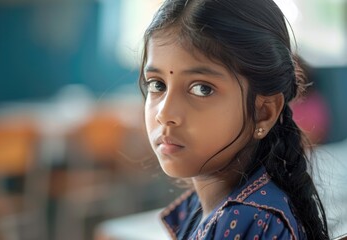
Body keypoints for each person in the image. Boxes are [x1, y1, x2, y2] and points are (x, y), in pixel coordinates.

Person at [139, 0, 329, 239]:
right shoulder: (204, 207)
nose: (164, 114)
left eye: (202, 89)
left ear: (264, 112)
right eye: (158, 85)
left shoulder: (248, 220)